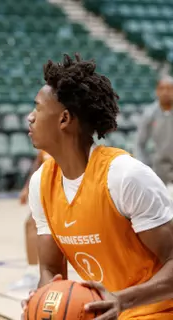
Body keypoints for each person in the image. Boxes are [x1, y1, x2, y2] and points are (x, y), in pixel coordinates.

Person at [22, 53, 173, 319]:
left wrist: (122, 300)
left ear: (64, 119)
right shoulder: (41, 183)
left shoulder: (124, 176)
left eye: (37, 108)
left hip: (158, 310)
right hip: (107, 311)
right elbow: (50, 269)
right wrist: (43, 305)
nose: (30, 118)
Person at [8, 150, 50, 291]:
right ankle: (33, 274)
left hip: (65, 192)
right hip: (49, 192)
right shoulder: (45, 149)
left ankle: (36, 275)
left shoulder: (67, 142)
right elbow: (37, 166)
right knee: (31, 224)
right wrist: (26, 188)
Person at [135, 75, 173, 195]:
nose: (166, 92)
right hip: (158, 166)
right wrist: (145, 166)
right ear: (157, 91)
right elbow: (140, 143)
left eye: (169, 88)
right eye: (162, 88)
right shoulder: (149, 113)